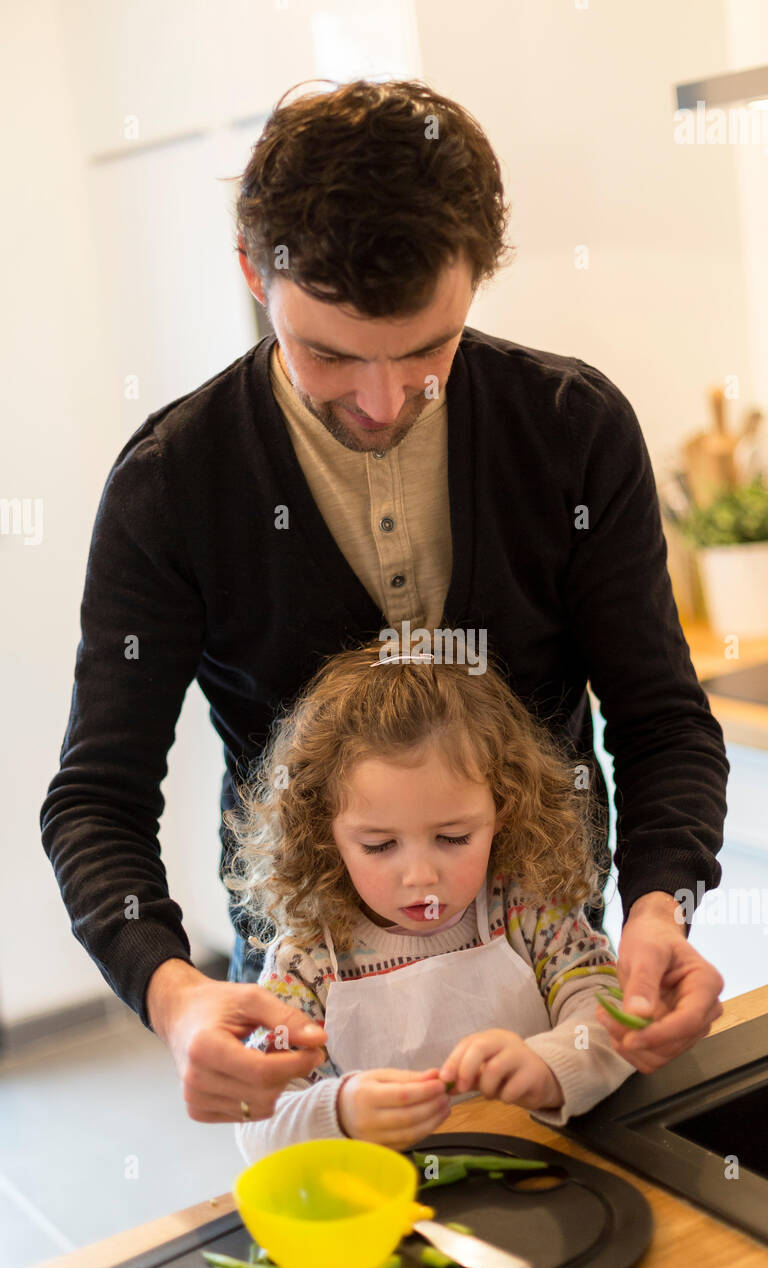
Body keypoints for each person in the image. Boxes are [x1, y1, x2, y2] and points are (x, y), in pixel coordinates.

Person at [39, 77, 727, 1130]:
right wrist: (175, 998)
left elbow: (660, 718)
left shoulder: (570, 429)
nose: (380, 401)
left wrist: (657, 902)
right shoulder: (173, 485)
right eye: (327, 354)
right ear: (250, 276)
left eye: (423, 351)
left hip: (547, 971)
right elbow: (95, 797)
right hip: (308, 1010)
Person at [227, 641, 637, 1159]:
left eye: (453, 838)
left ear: (503, 810)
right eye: (379, 846)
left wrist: (551, 1066)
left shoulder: (528, 910)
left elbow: (613, 1012)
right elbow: (255, 1113)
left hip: (542, 1178)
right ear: (322, 833)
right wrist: (339, 1111)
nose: (421, 877)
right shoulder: (306, 960)